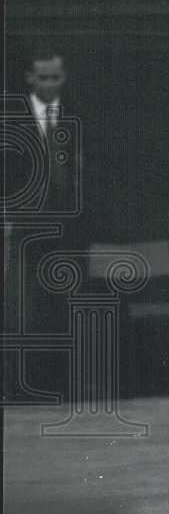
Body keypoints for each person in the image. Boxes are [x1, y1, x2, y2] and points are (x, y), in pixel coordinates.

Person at [3, 49, 88, 398]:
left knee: (64, 305)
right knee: (21, 308)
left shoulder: (74, 115)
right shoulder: (11, 117)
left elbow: (80, 173)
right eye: (43, 78)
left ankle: (63, 385)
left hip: (66, 230)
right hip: (23, 228)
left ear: (63, 77)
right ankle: (20, 386)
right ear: (30, 78)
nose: (50, 84)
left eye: (56, 77)